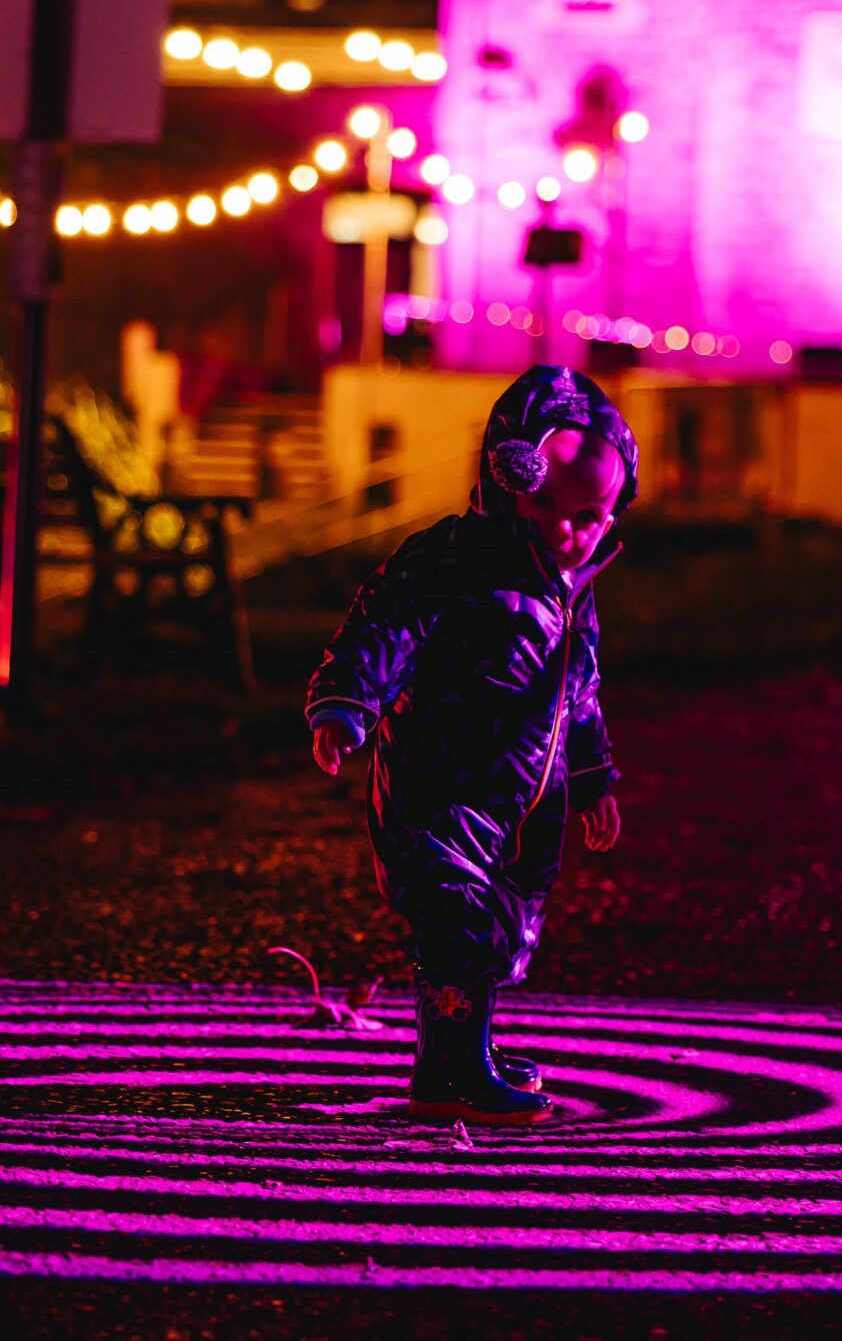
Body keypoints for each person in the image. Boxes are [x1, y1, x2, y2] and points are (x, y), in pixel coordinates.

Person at [306, 367, 635, 1126]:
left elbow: (577, 691)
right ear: (506, 476)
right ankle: (449, 1069)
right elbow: (384, 625)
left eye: (590, 516)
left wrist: (592, 778)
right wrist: (347, 704)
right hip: (439, 786)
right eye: (546, 503)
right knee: (453, 920)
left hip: (523, 802)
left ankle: (469, 1045)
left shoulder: (572, 592)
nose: (566, 530)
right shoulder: (451, 560)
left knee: (497, 923)